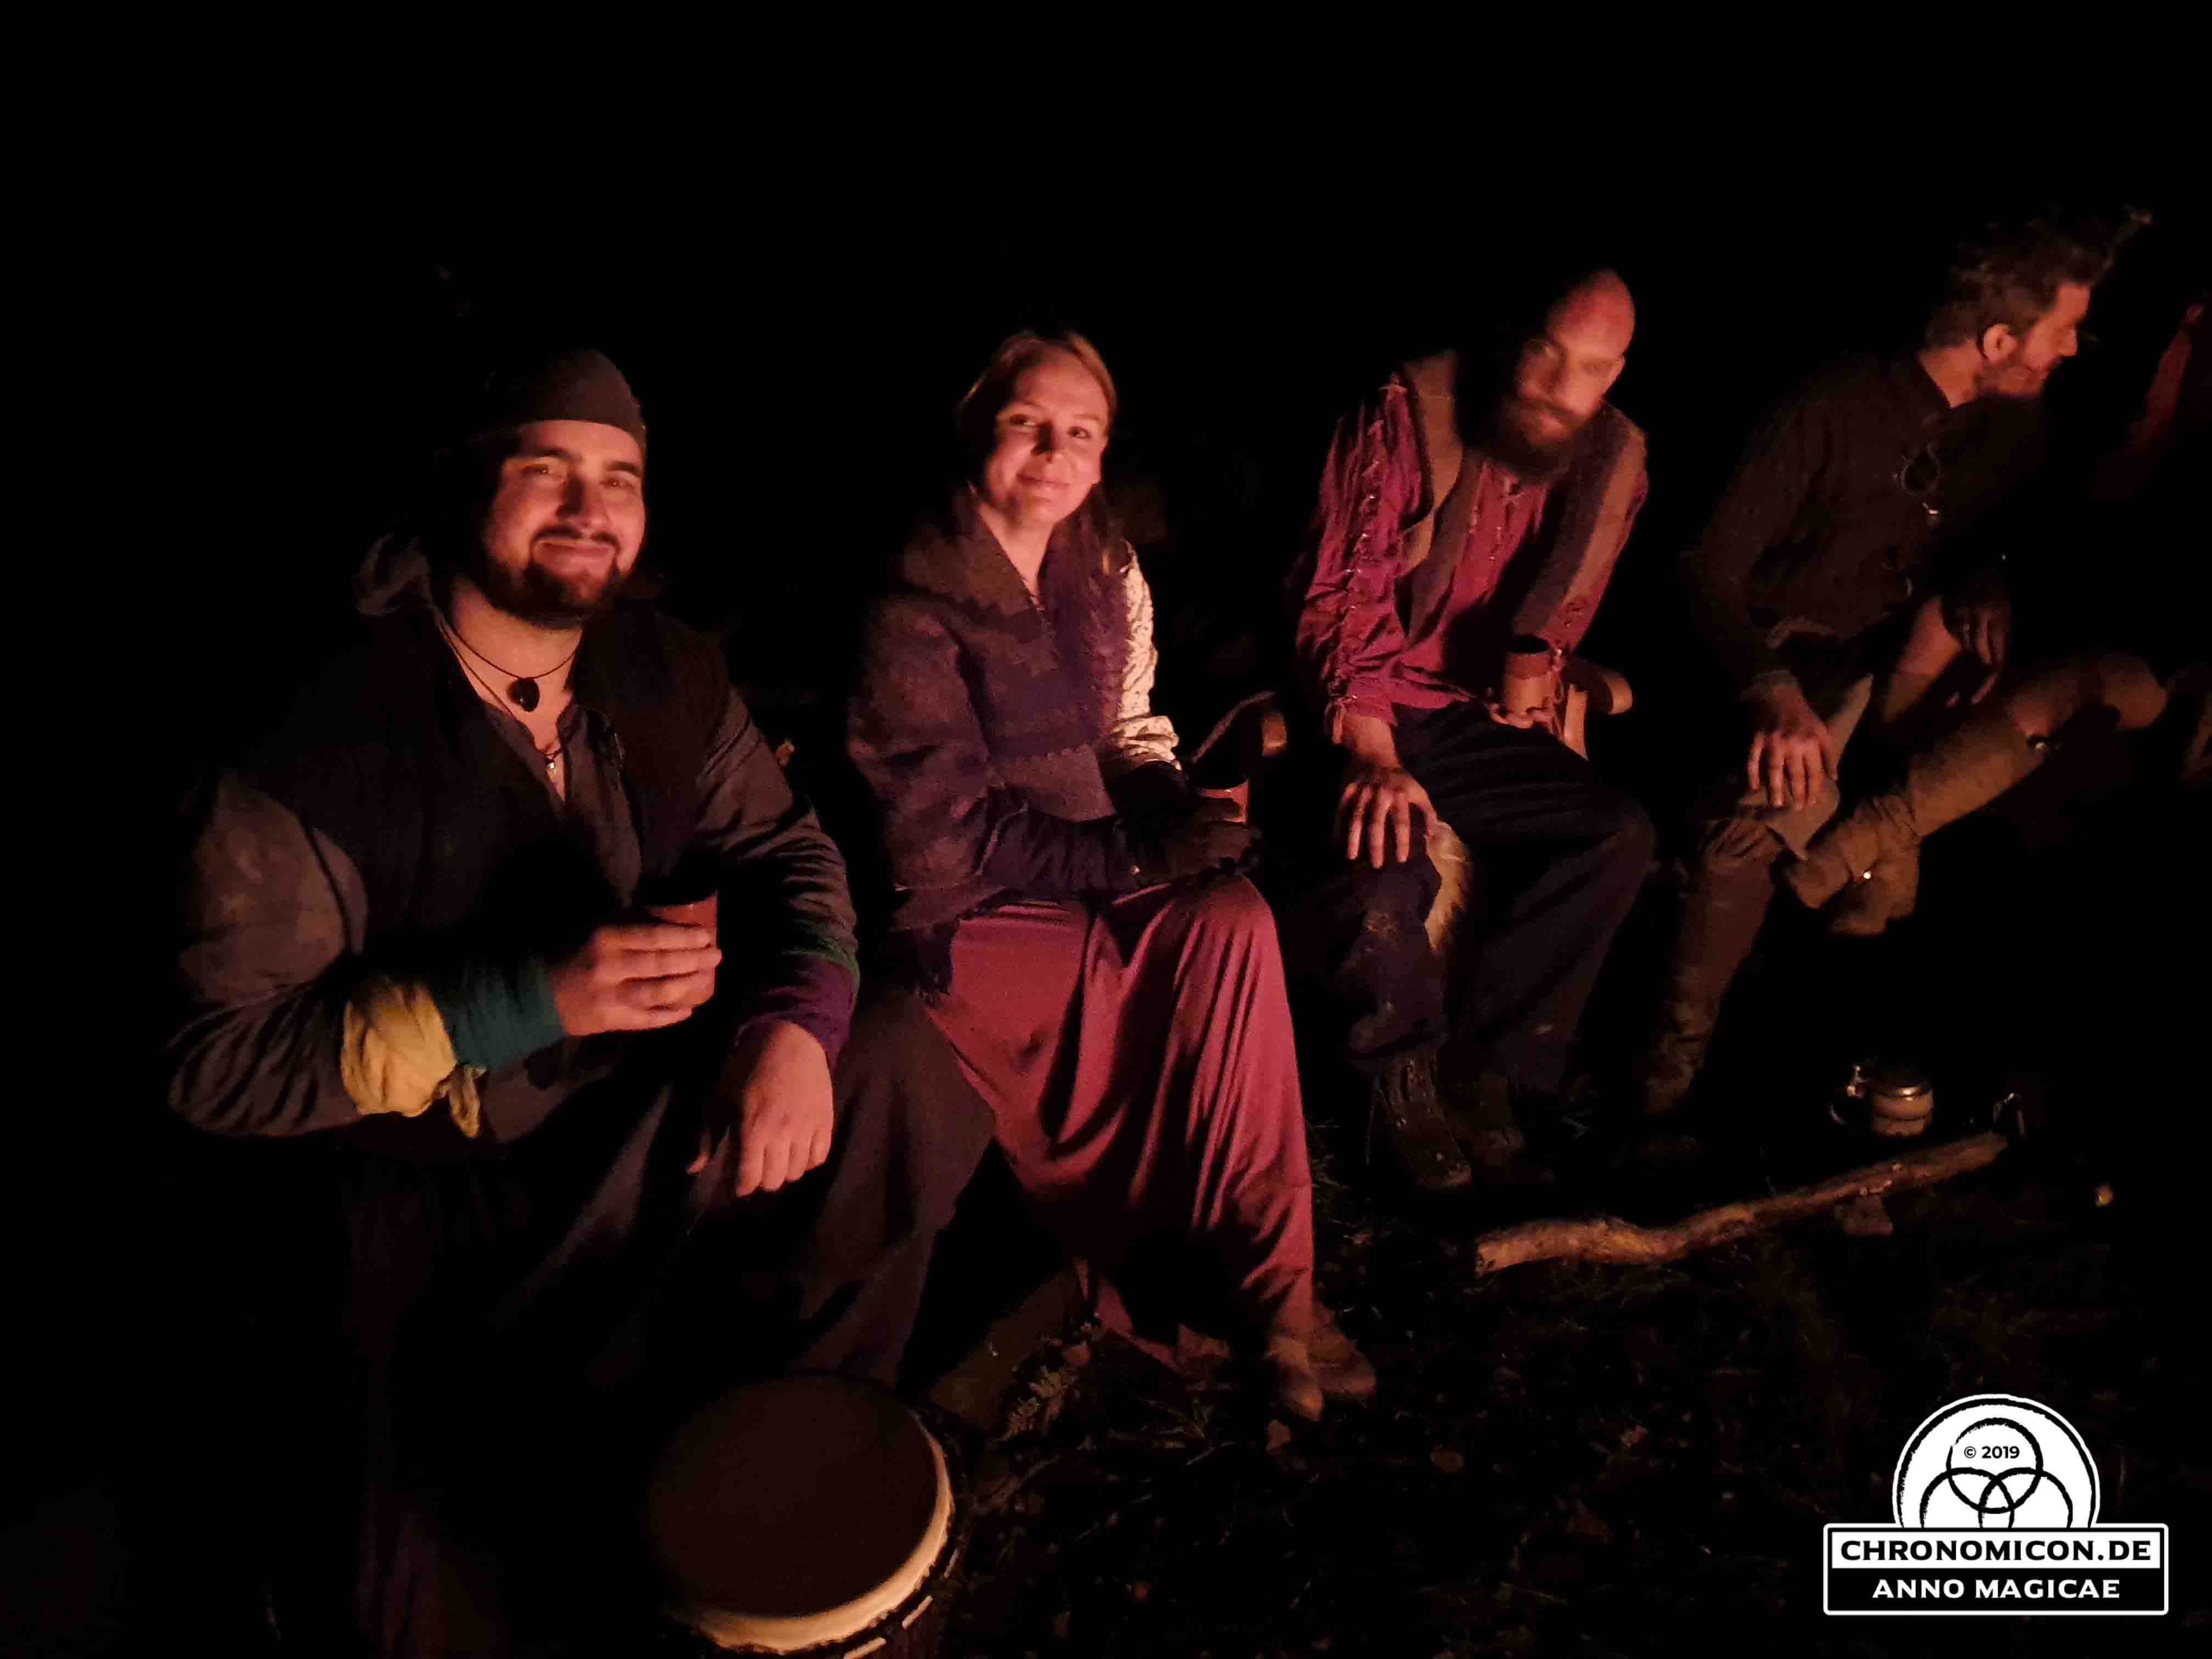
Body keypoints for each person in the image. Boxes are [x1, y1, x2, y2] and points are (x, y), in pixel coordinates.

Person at [163, 348, 991, 1656]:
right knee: (411, 1609)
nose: (589, 508)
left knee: (894, 1055)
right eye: (544, 469)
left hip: (645, 1110)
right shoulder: (310, 744)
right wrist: (525, 1001)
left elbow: (787, 853)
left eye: (620, 477)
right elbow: (220, 1063)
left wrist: (794, 1027)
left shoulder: (659, 668)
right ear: (459, 485)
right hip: (437, 1181)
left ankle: (805, 1455)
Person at [847, 329, 1374, 1423]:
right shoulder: (911, 598)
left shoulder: (1103, 571)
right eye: (1027, 424)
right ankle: (1163, 1269)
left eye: (1081, 433)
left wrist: (1177, 813)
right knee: (1090, 980)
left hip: (1093, 853)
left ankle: (1275, 1291)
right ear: (974, 431)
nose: (1056, 452)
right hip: (973, 902)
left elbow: (1127, 732)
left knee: (1231, 920)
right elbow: (935, 835)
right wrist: (1135, 854)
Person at [1639, 212, 2168, 1118]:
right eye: (2063, 330)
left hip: (1878, 668)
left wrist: (1985, 577)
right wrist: (1768, 689)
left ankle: (1834, 1077)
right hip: (1776, 663)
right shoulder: (1832, 409)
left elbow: (1980, 535)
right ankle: (1663, 1087)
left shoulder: (2004, 426)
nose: (2073, 349)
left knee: (1903, 839)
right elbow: (1704, 566)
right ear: (1997, 341)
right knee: (1756, 828)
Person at [1282, 271, 1656, 1192]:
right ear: (1511, 338)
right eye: (1546, 356)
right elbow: (1341, 594)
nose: (1560, 390)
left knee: (1613, 834)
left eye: (1591, 369)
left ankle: (1492, 1074)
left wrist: (1538, 683)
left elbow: (1558, 621)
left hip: (1459, 712)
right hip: (1360, 697)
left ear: (1616, 374)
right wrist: (1370, 753)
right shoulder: (1411, 414)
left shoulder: (1612, 455)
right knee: (1385, 858)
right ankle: (1395, 1092)